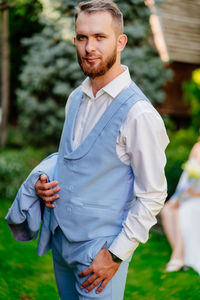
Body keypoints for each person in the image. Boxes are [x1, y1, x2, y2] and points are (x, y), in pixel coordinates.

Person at [7, 1, 169, 299]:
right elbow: (75, 160)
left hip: (100, 252)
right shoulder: (75, 98)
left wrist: (115, 255)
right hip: (61, 240)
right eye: (82, 37)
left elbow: (153, 195)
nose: (88, 47)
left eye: (99, 37)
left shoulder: (139, 114)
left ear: (120, 42)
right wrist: (44, 185)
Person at [161, 138, 200, 274]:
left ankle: (177, 256)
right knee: (167, 210)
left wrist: (193, 194)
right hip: (187, 196)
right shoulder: (196, 147)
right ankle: (180, 255)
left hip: (196, 198)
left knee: (182, 211)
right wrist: (177, 198)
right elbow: (187, 179)